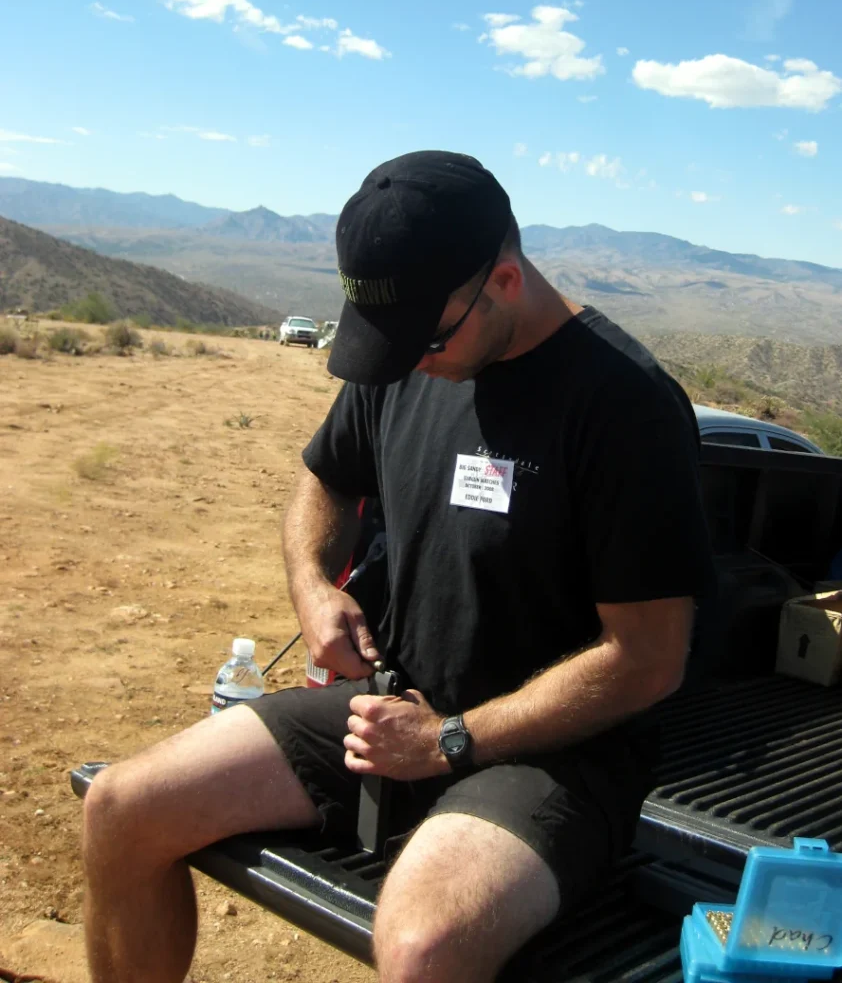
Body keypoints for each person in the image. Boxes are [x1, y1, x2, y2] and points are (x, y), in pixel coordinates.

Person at [82, 151, 716, 983]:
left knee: (423, 949)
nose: (412, 361)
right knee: (122, 809)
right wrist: (313, 589)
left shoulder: (625, 403)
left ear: (505, 280)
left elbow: (648, 659)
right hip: (394, 711)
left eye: (429, 338)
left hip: (553, 755)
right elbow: (325, 477)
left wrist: (452, 739)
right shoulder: (412, 354)